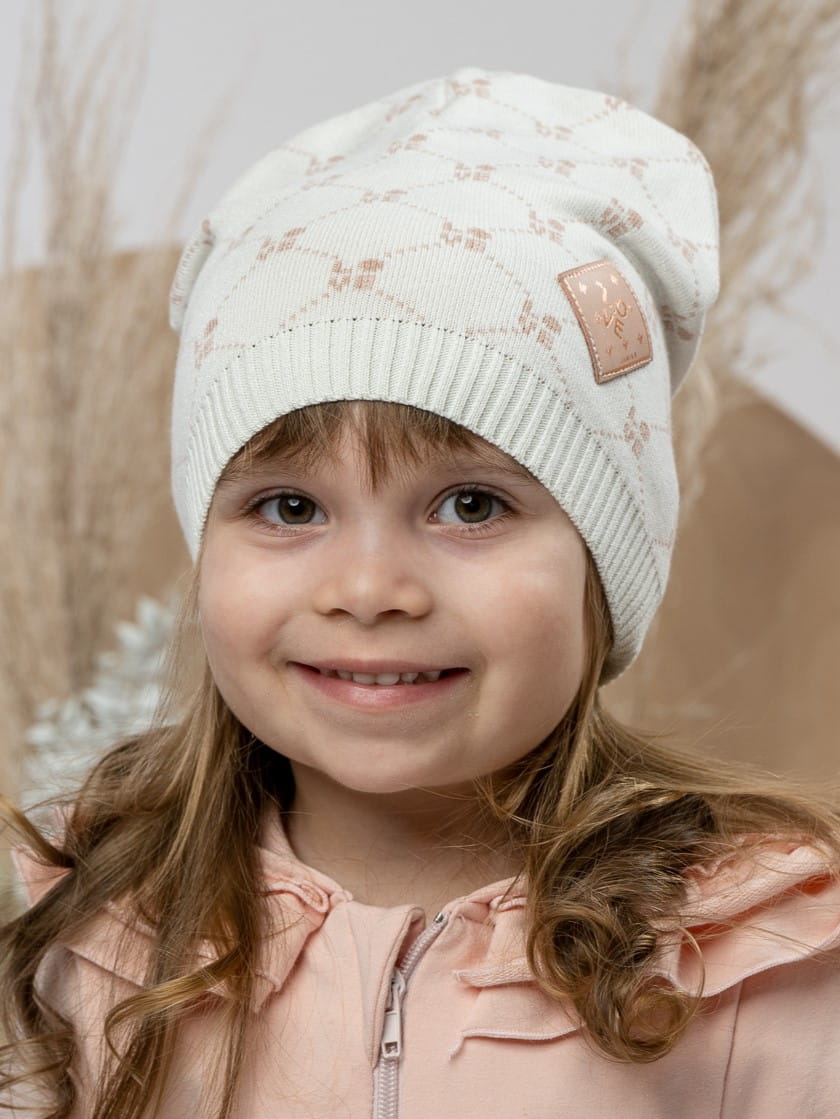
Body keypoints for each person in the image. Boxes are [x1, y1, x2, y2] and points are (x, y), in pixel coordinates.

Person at [2, 67, 840, 1119]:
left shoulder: (760, 968)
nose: (369, 589)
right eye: (290, 507)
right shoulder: (105, 939)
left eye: (471, 506)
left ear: (602, 561)